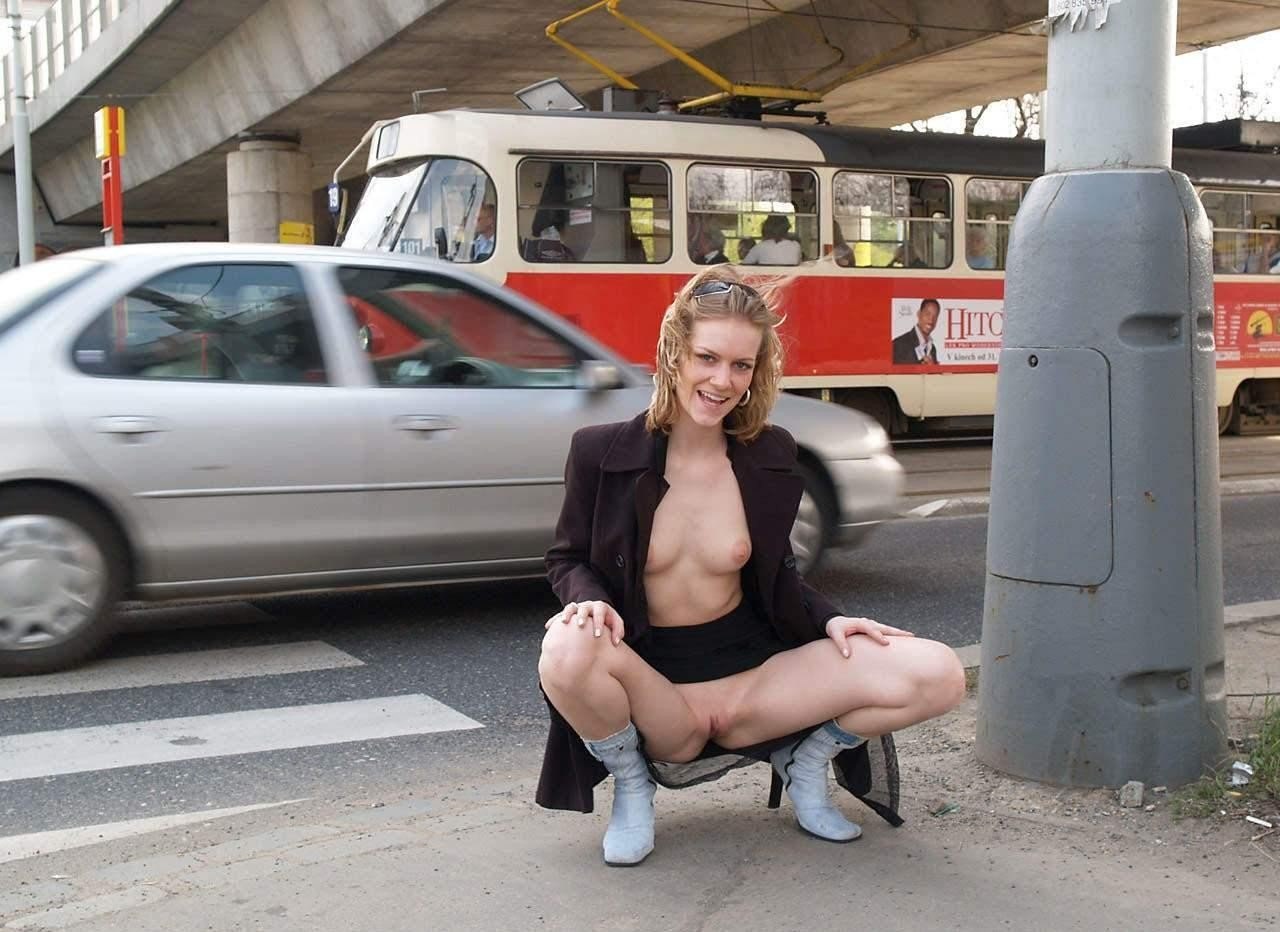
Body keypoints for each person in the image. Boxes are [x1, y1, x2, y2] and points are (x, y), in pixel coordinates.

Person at [536, 267, 965, 866]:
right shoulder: (599, 451)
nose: (722, 381)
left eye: (741, 365)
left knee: (939, 673)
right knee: (564, 647)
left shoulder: (770, 454)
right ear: (674, 353)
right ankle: (632, 785)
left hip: (756, 683)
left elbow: (778, 572)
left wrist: (831, 620)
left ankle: (806, 762)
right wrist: (590, 600)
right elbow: (567, 558)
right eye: (707, 358)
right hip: (659, 693)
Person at [891, 298, 940, 365]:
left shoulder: (932, 349)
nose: (931, 320)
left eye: (935, 316)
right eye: (927, 314)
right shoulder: (898, 345)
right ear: (919, 314)